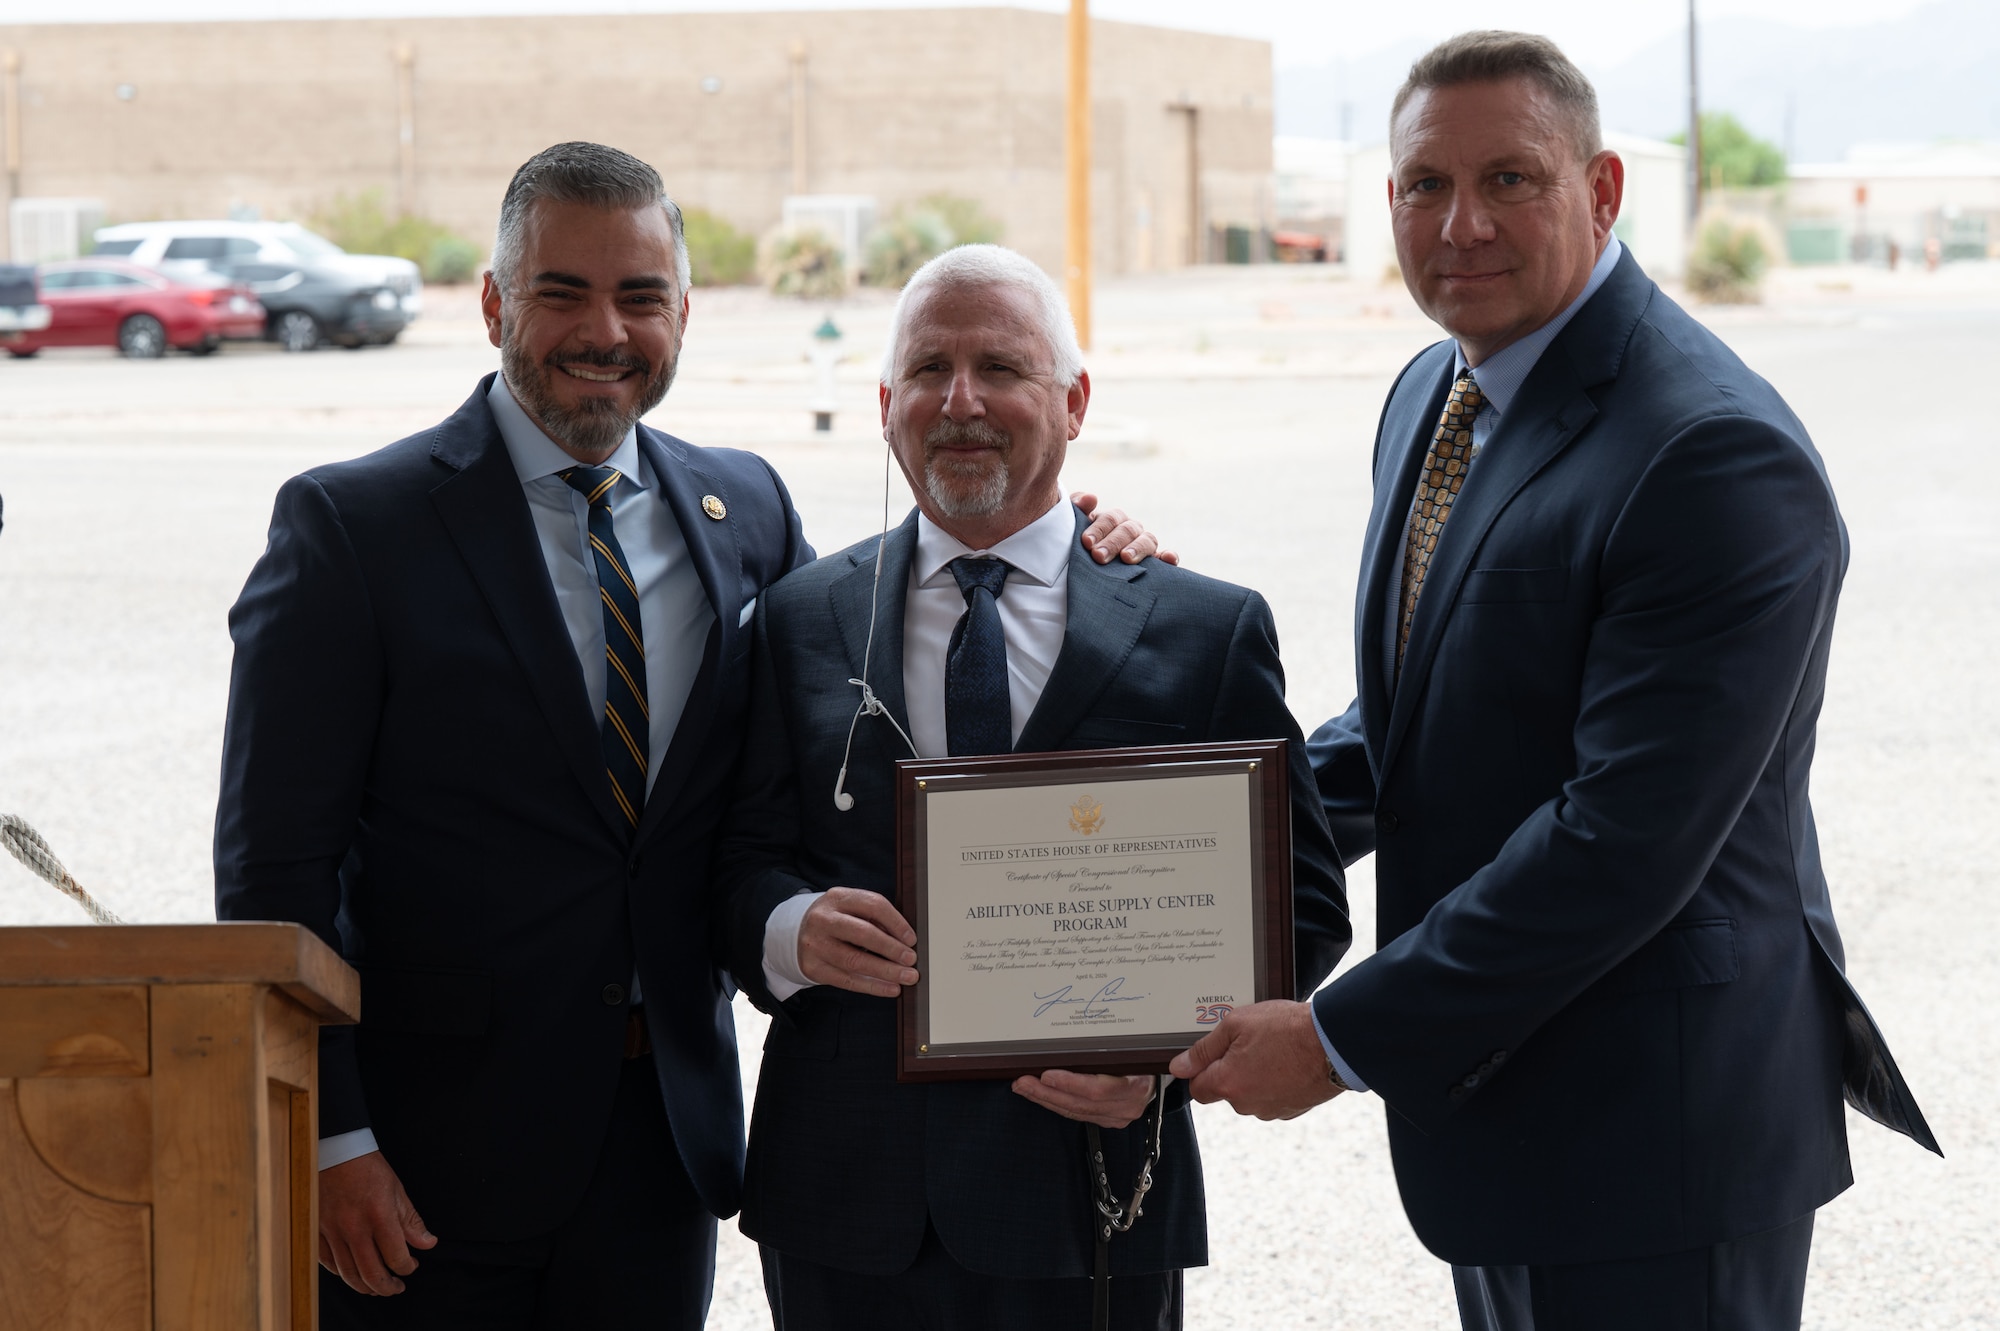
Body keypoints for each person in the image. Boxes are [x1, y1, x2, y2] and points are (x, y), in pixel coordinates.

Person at [213, 143, 1161, 1330]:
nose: (603, 329)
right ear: (495, 301)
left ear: (683, 312)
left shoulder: (745, 509)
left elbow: (854, 690)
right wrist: (326, 1136)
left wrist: (1070, 537)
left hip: (662, 1155)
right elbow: (272, 870)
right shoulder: (351, 528)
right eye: (562, 291)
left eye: (640, 295)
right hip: (419, 1163)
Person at [1170, 32, 1938, 1331]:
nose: (1459, 223)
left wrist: (1340, 1033)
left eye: (1509, 179)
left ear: (1603, 188)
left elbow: (1622, 843)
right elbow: (1415, 727)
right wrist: (1185, 818)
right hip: (1512, 1105)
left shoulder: (1711, 452)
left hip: (1658, 1135)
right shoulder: (1437, 386)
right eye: (1423, 185)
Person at [711, 243, 1351, 1330]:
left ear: (1074, 399)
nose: (960, 401)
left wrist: (1164, 1062)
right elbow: (725, 861)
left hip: (1088, 1192)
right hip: (846, 1202)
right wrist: (786, 926)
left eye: (1001, 367)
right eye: (928, 369)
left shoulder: (1201, 628)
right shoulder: (797, 618)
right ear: (883, 403)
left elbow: (1299, 904)